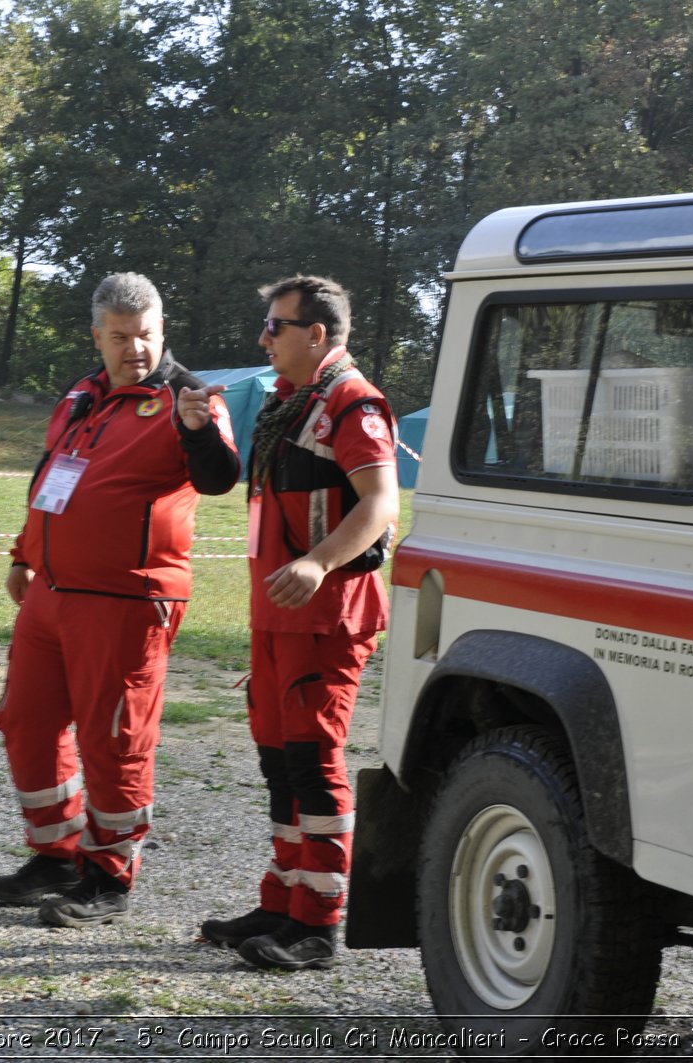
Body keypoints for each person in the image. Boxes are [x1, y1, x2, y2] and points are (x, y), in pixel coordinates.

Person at [0, 272, 238, 928]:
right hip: (52, 592)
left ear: (163, 330)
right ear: (97, 336)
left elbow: (218, 478)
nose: (136, 348)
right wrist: (23, 551)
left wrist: (200, 432)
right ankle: (56, 853)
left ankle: (108, 875)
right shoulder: (81, 394)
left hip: (127, 599)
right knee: (26, 719)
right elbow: (50, 473)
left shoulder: (189, 396)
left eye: (147, 335)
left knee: (115, 738)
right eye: (121, 337)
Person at [200, 275, 399, 971]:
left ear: (317, 334)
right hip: (280, 614)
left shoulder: (351, 401)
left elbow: (379, 502)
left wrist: (317, 562)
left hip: (326, 615)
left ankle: (317, 923)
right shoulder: (294, 402)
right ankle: (282, 900)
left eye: (276, 325)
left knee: (314, 762)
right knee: (279, 762)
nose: (263, 336)